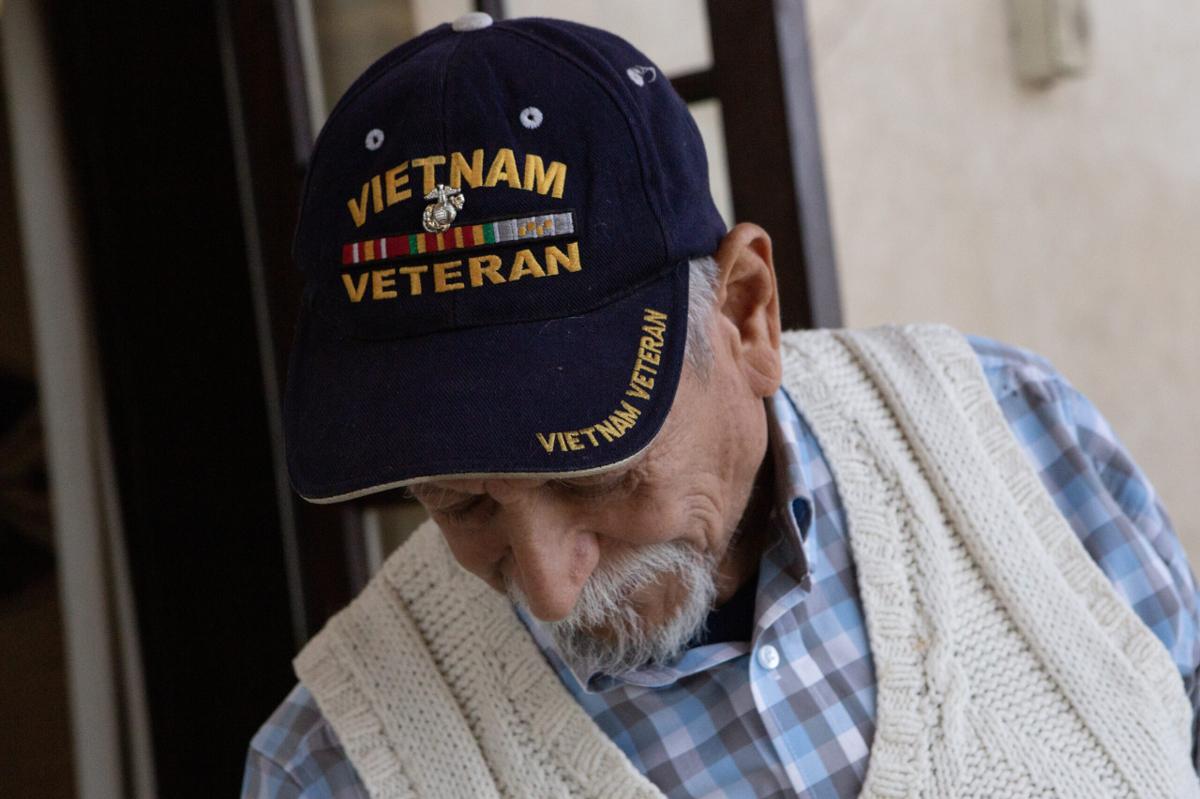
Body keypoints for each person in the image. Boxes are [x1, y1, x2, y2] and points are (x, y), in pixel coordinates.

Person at [242, 13, 1200, 798]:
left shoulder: (1019, 440)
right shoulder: (335, 769)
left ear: (747, 311)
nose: (546, 588)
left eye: (598, 469)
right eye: (463, 503)